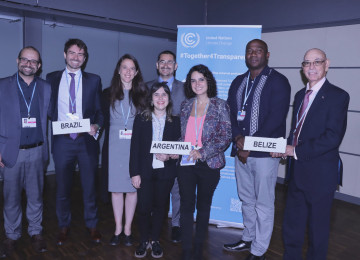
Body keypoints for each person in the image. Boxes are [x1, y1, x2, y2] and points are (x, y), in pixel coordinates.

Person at [272, 48, 349, 260]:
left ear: (327, 64)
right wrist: (282, 148)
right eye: (307, 63)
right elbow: (296, 131)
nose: (312, 67)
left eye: (317, 62)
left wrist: (294, 150)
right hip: (296, 172)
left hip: (320, 175)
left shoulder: (338, 96)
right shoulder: (299, 95)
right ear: (303, 67)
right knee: (292, 226)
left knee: (318, 230)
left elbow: (332, 137)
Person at [224, 39, 291, 260]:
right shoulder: (238, 81)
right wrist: (237, 137)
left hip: (263, 155)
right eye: (249, 51)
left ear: (267, 55)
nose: (253, 54)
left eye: (258, 51)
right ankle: (248, 237)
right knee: (246, 199)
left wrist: (249, 145)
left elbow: (275, 119)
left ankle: (259, 248)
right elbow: (231, 113)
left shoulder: (279, 81)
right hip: (240, 152)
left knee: (263, 203)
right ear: (245, 55)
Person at [47, 38, 104, 245]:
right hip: (62, 141)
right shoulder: (51, 78)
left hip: (85, 141)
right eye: (72, 53)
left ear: (85, 58)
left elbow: (100, 112)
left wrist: (96, 126)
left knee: (89, 186)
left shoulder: (94, 80)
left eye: (80, 54)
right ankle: (63, 226)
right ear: (65, 55)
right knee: (62, 187)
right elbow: (48, 108)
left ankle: (92, 225)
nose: (76, 57)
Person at [0, 46, 51, 256]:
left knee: (36, 196)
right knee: (11, 198)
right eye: (25, 59)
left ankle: (35, 232)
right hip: (11, 152)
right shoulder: (2, 85)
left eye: (33, 61)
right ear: (17, 60)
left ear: (38, 66)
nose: (28, 64)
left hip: (37, 151)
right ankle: (11, 236)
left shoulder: (46, 87)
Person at [178, 64, 231, 260]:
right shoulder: (185, 106)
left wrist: (202, 152)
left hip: (209, 164)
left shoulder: (220, 105)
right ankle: (186, 248)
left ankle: (199, 247)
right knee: (186, 206)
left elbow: (225, 136)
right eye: (193, 80)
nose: (197, 83)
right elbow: (181, 136)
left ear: (208, 81)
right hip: (186, 164)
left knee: (203, 206)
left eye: (201, 79)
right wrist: (173, 150)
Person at [130, 82, 181, 258]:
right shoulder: (141, 119)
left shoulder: (175, 122)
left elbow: (179, 150)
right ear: (151, 99)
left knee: (160, 207)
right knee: (143, 208)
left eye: (164, 95)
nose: (160, 98)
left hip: (165, 172)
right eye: (156, 95)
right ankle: (144, 240)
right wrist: (134, 173)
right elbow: (134, 148)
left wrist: (170, 155)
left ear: (169, 99)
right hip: (144, 172)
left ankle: (156, 240)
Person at [103, 54, 147, 247]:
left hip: (134, 148)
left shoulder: (144, 96)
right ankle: (117, 229)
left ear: (136, 72)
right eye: (124, 67)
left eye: (132, 68)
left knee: (131, 189)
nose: (128, 72)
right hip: (114, 149)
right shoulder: (107, 94)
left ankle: (128, 230)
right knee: (115, 190)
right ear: (118, 70)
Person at [146, 50, 185, 242]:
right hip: (152, 148)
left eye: (170, 62)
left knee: (176, 188)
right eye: (162, 61)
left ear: (176, 66)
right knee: (154, 188)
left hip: (176, 147)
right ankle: (155, 221)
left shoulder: (186, 89)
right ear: (157, 65)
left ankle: (176, 224)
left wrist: (175, 149)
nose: (166, 65)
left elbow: (186, 121)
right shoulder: (146, 88)